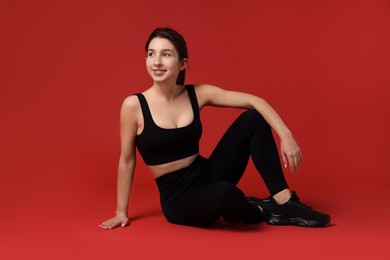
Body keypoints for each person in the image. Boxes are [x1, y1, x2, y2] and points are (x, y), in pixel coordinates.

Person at [99, 27, 331, 229]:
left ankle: (283, 201)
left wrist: (286, 135)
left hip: (207, 173)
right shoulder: (133, 106)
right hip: (178, 198)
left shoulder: (197, 93)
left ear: (183, 64)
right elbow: (127, 160)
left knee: (253, 118)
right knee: (226, 193)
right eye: (151, 54)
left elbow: (254, 101)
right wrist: (121, 211)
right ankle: (263, 211)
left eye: (166, 54)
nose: (157, 61)